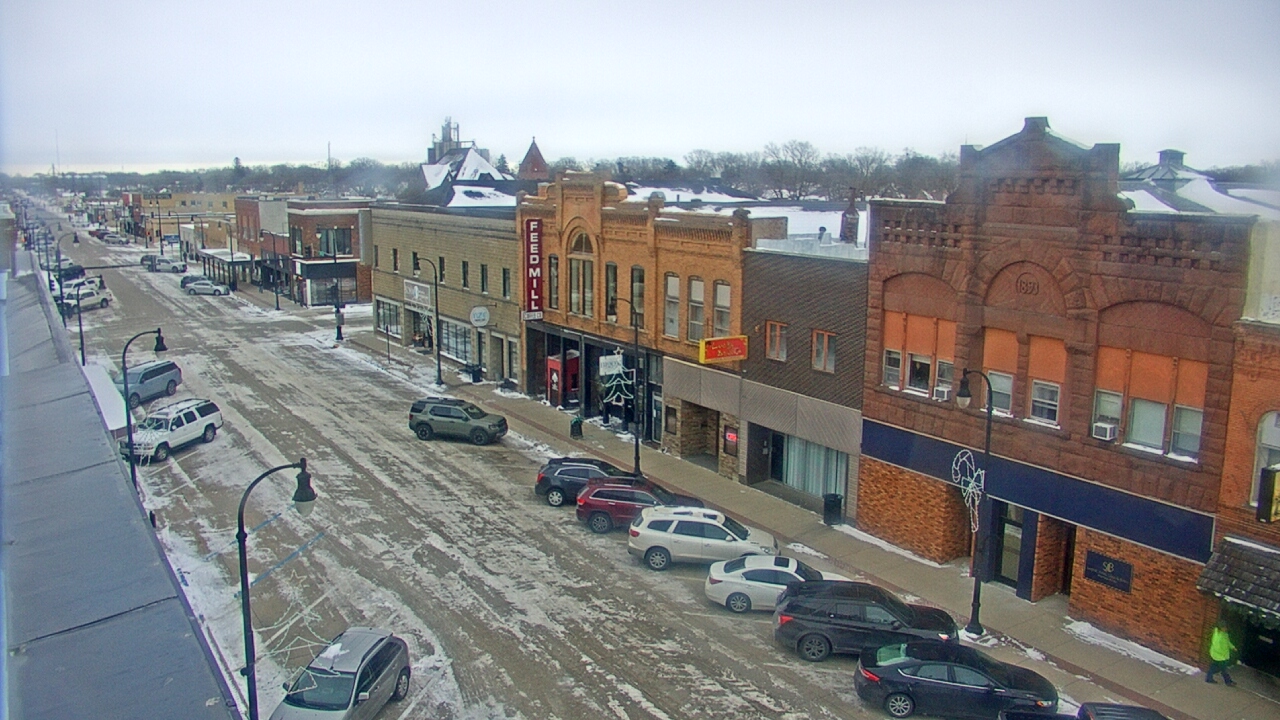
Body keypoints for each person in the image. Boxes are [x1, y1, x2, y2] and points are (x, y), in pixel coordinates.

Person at [1206, 620, 1237, 685]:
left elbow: (1227, 642)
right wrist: (1223, 656)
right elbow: (1217, 646)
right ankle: (1228, 682)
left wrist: (1232, 647)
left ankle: (1208, 678)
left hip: (1220, 655)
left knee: (1214, 667)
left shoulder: (1224, 634)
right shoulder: (1219, 636)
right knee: (1223, 670)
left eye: (1225, 627)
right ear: (1221, 628)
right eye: (1224, 627)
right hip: (1220, 656)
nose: (1225, 629)